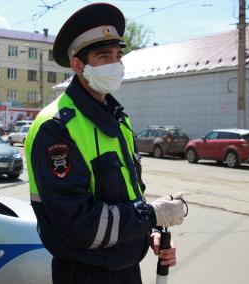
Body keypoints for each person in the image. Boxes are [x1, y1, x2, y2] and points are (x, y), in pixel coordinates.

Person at [24, 3, 186, 283]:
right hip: (84, 274)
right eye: (104, 56)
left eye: (117, 55)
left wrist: (152, 233)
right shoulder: (56, 127)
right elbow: (79, 223)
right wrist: (150, 216)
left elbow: (127, 197)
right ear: (78, 65)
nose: (116, 64)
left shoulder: (119, 120)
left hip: (126, 270)